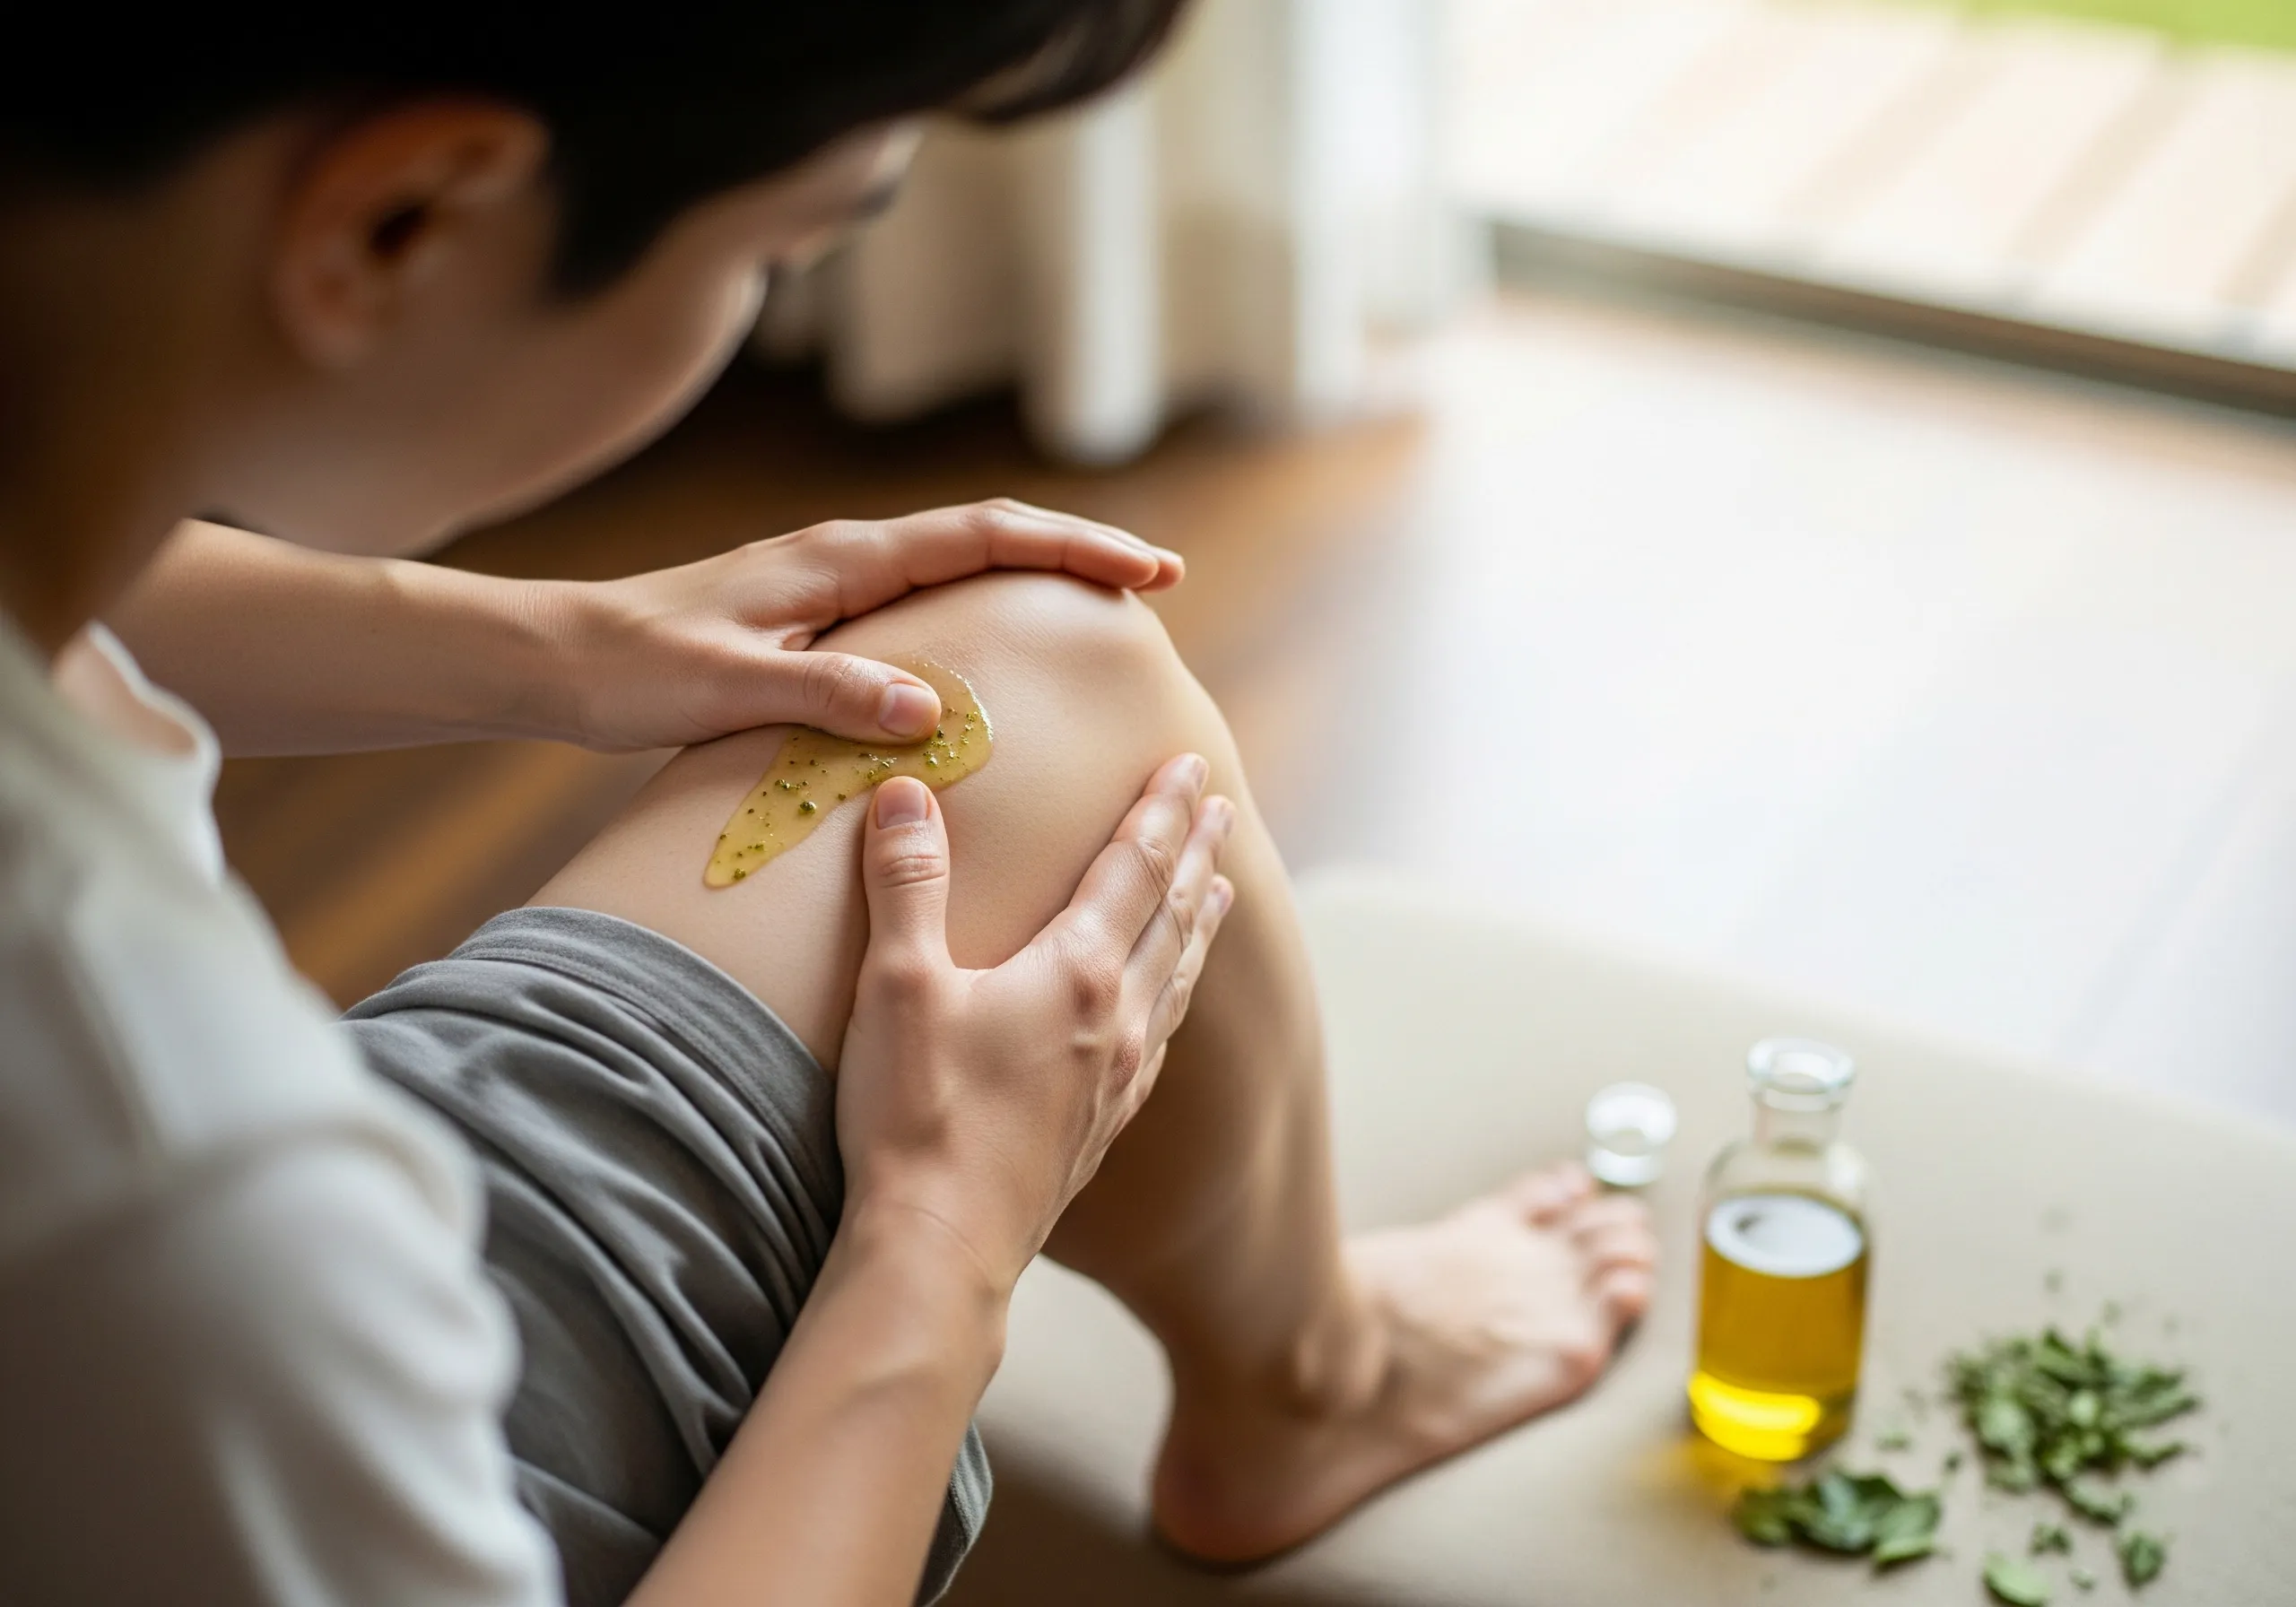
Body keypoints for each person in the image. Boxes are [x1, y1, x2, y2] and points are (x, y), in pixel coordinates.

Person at [0, 7, 1658, 1605]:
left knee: (1025, 663)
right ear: (402, 222)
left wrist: (560, 647)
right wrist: (944, 1236)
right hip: (281, 1387)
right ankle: (1314, 1381)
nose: (758, 298)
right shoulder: (157, 1157)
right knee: (1064, 687)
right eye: (778, 247)